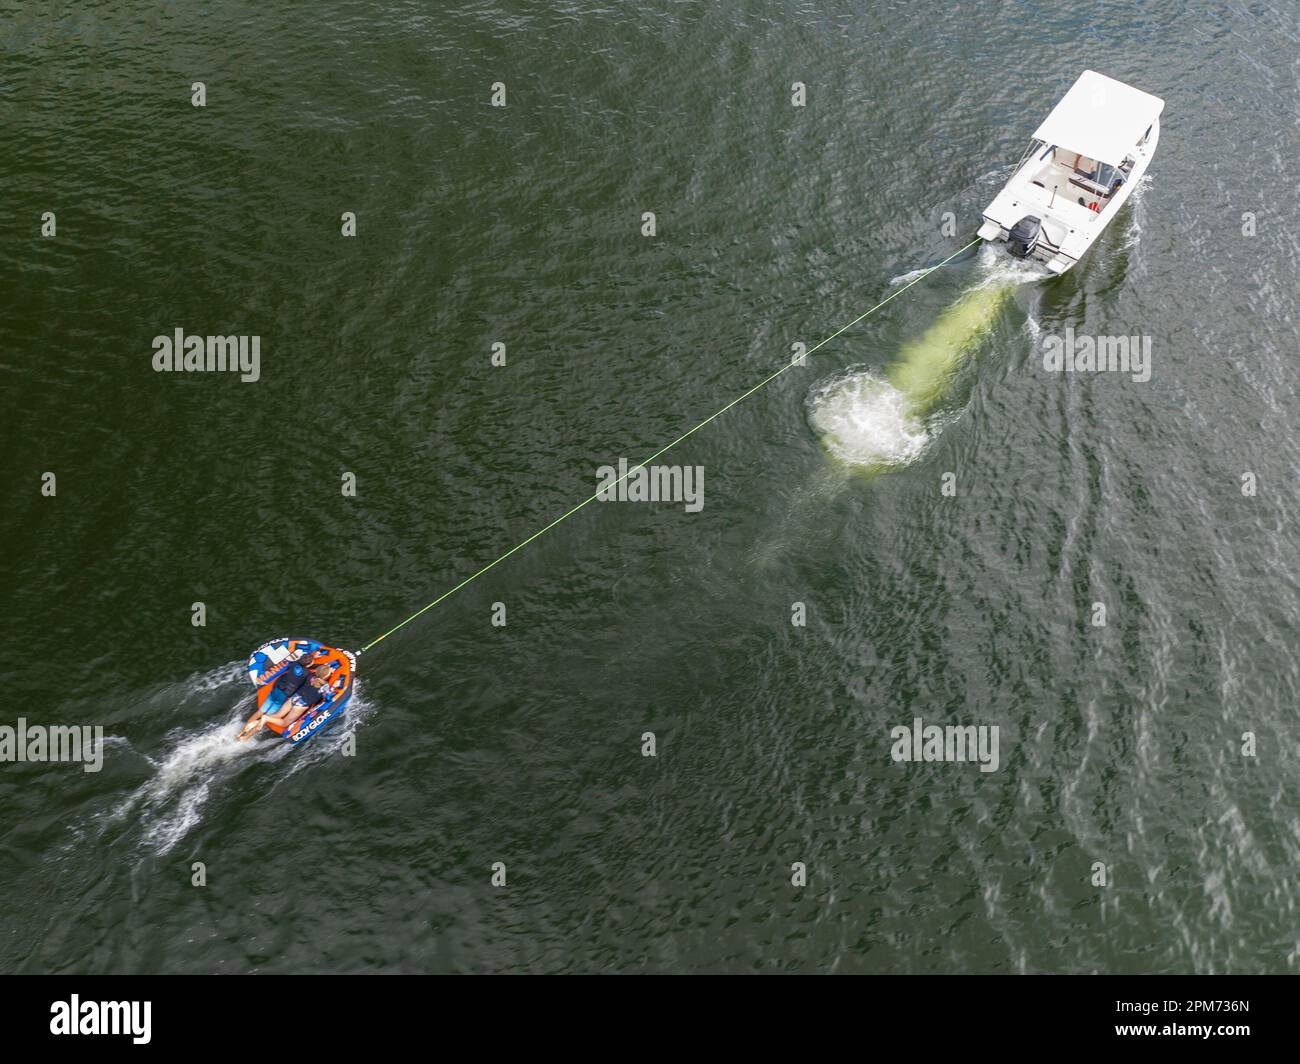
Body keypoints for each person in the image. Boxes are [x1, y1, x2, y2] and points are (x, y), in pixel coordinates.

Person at [238, 649, 318, 739]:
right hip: (284, 696)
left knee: (260, 711)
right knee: (267, 718)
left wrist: (311, 658)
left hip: (277, 689)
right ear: (309, 665)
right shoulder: (307, 674)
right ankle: (246, 737)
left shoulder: (293, 664)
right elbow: (315, 676)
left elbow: (299, 664)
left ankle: (242, 732)